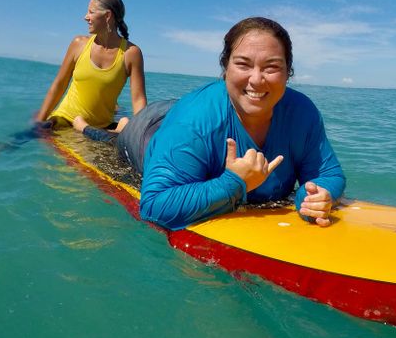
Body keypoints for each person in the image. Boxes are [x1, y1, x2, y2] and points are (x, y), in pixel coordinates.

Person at [130, 17, 345, 231]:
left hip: (188, 117)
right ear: (225, 68)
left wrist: (315, 197)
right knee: (113, 135)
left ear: (288, 72)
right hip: (146, 130)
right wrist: (234, 182)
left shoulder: (302, 113)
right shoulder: (192, 122)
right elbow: (153, 207)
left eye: (271, 67)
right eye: (243, 64)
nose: (256, 79)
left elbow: (330, 174)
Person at [35, 0, 147, 130]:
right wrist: (39, 121)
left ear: (107, 16)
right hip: (64, 120)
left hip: (100, 128)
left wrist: (139, 134)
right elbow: (59, 85)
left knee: (122, 124)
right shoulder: (79, 44)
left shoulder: (131, 53)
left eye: (91, 12)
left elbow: (138, 100)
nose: (85, 17)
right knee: (15, 142)